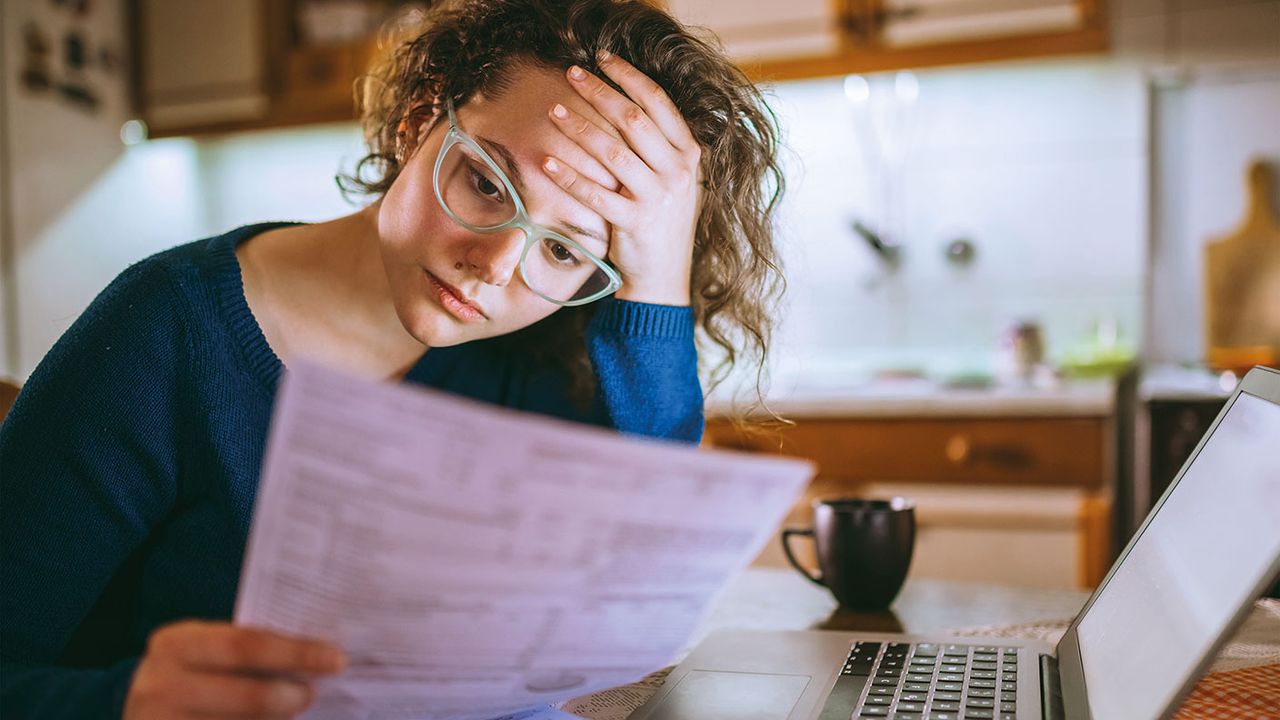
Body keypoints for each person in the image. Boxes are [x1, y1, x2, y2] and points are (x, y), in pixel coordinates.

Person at [0, 0, 785, 717]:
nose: (496, 267)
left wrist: (655, 284)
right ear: (419, 118)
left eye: (562, 250)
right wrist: (124, 703)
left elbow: (640, 575)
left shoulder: (538, 358)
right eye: (484, 182)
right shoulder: (163, 331)